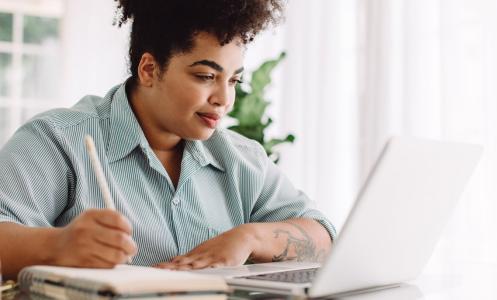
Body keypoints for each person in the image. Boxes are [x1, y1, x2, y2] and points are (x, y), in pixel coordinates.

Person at [0, 0, 335, 280]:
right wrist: (58, 246)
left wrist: (250, 237)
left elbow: (324, 236)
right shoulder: (58, 140)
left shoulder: (242, 159)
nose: (224, 98)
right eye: (206, 76)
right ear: (149, 69)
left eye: (233, 80)